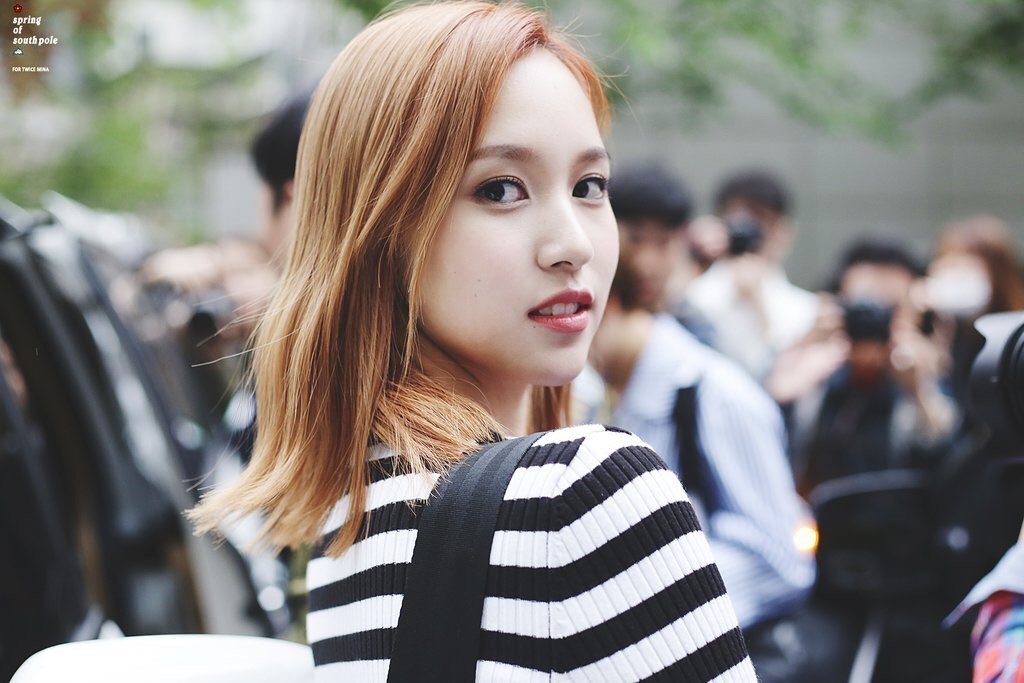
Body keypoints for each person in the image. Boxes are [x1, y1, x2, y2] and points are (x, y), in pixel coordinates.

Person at [191, 3, 755, 681]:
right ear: (381, 231)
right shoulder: (584, 495)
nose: (573, 244)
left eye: (589, 185)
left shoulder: (342, 524)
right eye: (501, 189)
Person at [773, 237, 958, 494]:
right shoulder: (814, 371)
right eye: (862, 305)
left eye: (889, 308)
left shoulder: (923, 377)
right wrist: (797, 360)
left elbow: (947, 471)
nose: (873, 320)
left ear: (912, 314)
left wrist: (920, 393)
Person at [685, 170, 818, 381]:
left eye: (760, 220)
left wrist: (759, 305)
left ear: (783, 231)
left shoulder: (808, 311)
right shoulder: (692, 295)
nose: (747, 232)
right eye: (737, 221)